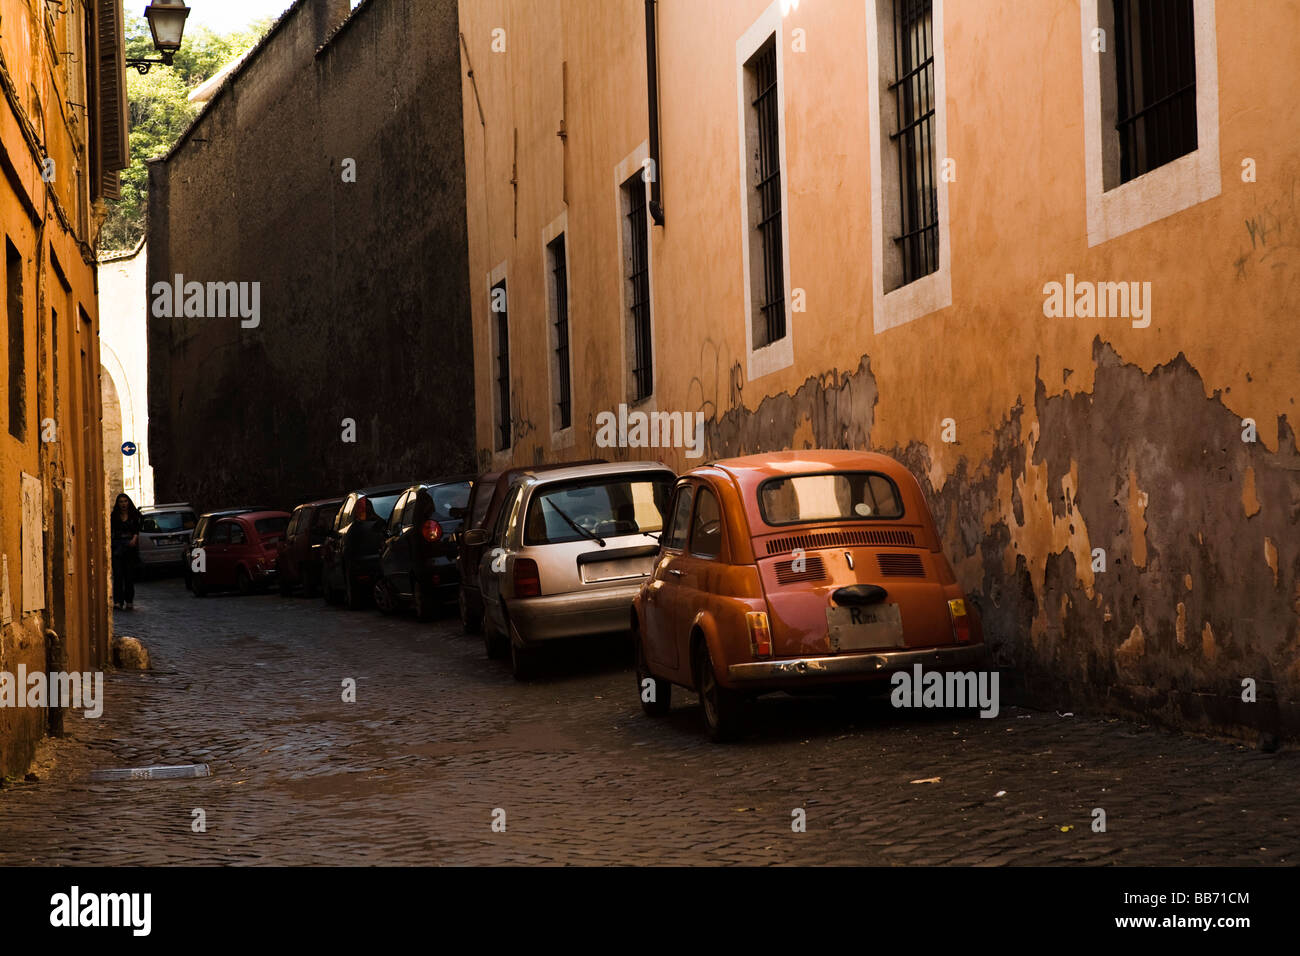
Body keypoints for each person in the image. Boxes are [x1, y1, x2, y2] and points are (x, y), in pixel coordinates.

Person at [110, 493, 142, 610]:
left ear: (128, 502)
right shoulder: (114, 516)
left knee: (129, 575)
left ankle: (129, 600)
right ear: (118, 504)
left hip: (129, 547)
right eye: (121, 502)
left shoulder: (134, 515)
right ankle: (118, 601)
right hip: (117, 547)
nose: (123, 504)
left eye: (125, 501)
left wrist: (134, 539)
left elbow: (137, 530)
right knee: (118, 575)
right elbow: (111, 531)